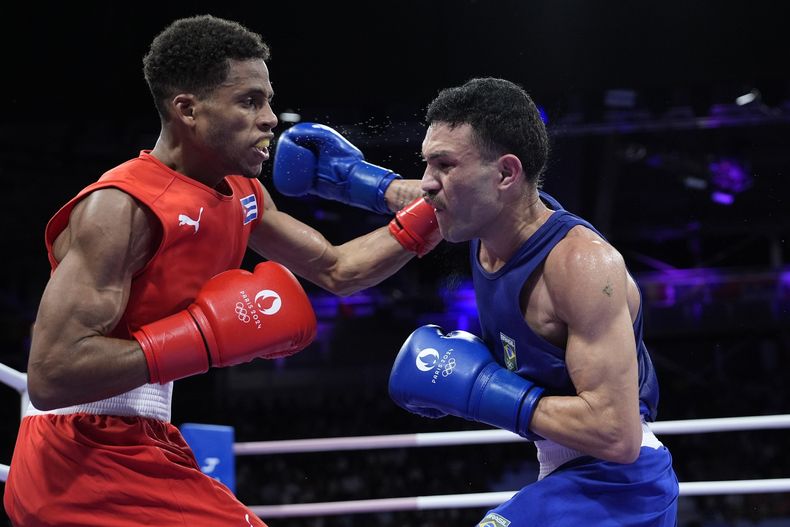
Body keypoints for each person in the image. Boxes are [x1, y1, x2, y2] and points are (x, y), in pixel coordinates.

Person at [3, 15, 440, 527]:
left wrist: (432, 211)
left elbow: (338, 268)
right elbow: (52, 374)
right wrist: (202, 338)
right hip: (74, 454)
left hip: (143, 439)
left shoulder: (243, 195)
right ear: (187, 109)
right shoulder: (122, 208)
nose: (271, 118)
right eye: (250, 101)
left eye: (269, 100)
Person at [388, 77, 679, 526]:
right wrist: (347, 176)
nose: (427, 183)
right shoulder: (474, 214)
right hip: (565, 475)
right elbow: (401, 195)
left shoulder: (581, 265)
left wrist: (484, 391)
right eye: (426, 164)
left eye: (443, 164)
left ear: (506, 174)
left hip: (622, 484)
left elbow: (616, 435)